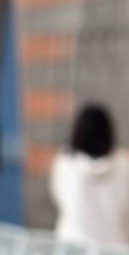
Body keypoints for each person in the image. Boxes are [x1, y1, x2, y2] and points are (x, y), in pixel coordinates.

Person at [51, 103, 129, 247]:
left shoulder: (66, 164)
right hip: (116, 248)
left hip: (73, 247)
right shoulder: (124, 164)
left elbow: (60, 199)